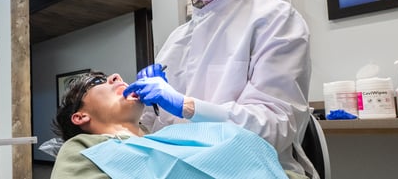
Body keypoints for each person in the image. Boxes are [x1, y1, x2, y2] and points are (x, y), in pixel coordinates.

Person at [123, 0, 315, 179]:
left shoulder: (274, 19)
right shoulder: (178, 38)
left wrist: (187, 106)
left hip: (249, 168)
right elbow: (150, 126)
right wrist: (139, 112)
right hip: (178, 164)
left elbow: (276, 128)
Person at [50, 71, 289, 179]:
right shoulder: (81, 150)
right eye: (98, 81)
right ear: (80, 117)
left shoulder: (171, 138)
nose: (116, 77)